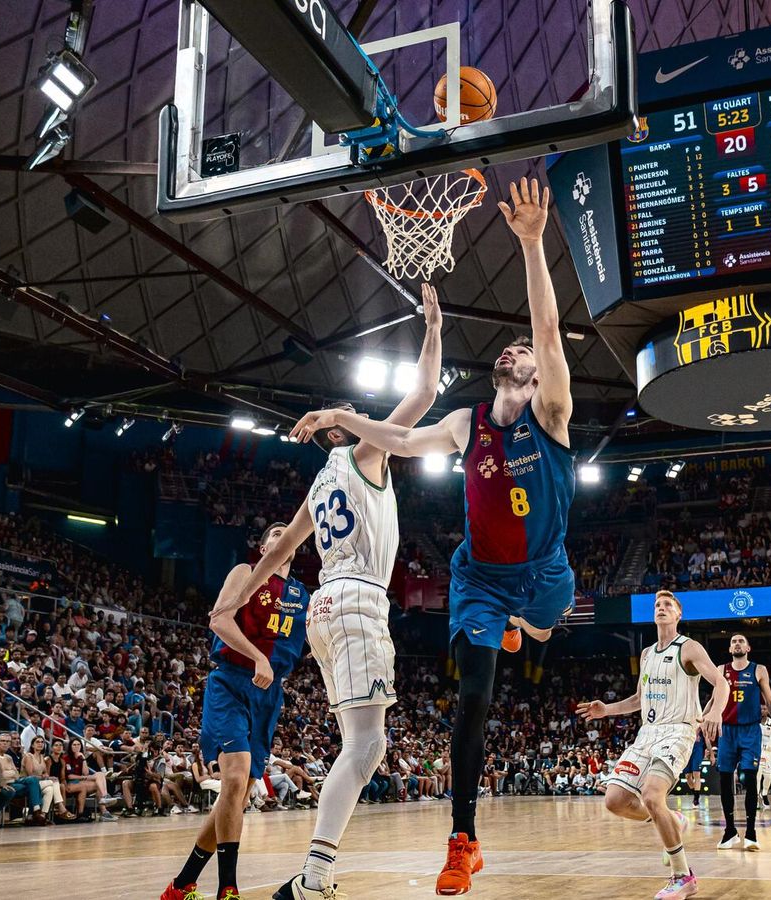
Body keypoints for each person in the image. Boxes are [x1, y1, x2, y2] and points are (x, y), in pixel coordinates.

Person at [289, 177, 575, 896]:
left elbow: (544, 329)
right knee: (472, 697)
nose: (514, 350)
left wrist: (533, 246)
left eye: (523, 350)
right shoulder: (465, 422)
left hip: (543, 575)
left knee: (541, 631)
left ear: (537, 372)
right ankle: (462, 839)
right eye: (507, 349)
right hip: (478, 576)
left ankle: (520, 624)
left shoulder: (553, 413)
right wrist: (344, 418)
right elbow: (401, 439)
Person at [241, 286, 442, 900]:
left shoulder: (317, 486)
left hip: (326, 608)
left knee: (364, 744)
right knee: (365, 746)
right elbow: (425, 392)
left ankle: (315, 874)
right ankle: (314, 876)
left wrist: (233, 599)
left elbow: (277, 554)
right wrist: (433, 325)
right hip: (354, 601)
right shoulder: (363, 454)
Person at [160, 522, 309, 900]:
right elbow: (219, 620)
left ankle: (181, 885)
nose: (282, 537)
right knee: (237, 775)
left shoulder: (301, 594)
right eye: (275, 534)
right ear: (262, 547)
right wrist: (259, 656)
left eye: (287, 534)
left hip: (268, 694)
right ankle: (229, 889)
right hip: (231, 681)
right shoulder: (246, 573)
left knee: (239, 794)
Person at [577, 590, 729, 900]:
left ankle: (683, 876)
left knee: (651, 794)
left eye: (667, 605)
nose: (661, 608)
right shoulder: (646, 654)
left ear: (678, 614)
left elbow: (721, 682)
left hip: (678, 731)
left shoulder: (689, 648)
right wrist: (606, 709)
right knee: (615, 800)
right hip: (647, 733)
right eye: (657, 605)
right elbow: (638, 699)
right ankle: (674, 821)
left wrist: (714, 711)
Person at [716, 634, 771, 851]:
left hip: (749, 731)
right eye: (733, 642)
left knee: (748, 777)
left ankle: (751, 833)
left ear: (748, 647)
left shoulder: (759, 670)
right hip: (726, 731)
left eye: (741, 641)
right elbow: (713, 700)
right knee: (725, 780)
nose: (737, 643)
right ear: (729, 649)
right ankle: (730, 832)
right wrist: (703, 717)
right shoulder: (721, 670)